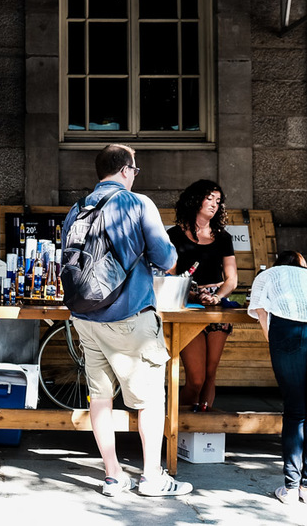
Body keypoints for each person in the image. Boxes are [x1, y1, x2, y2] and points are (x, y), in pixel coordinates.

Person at [60, 143, 192, 498]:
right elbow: (166, 258)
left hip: (85, 317)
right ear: (124, 170)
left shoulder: (77, 209)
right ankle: (151, 477)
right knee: (149, 400)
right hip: (129, 317)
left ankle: (114, 475)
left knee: (100, 399)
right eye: (135, 169)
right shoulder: (138, 204)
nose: (135, 176)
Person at [247, 250, 307, 505]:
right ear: (303, 263)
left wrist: (275, 342)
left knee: (294, 409)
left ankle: (290, 488)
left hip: (291, 330)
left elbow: (259, 309)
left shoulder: (268, 274)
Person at [167, 179, 238, 412]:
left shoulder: (224, 237)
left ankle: (201, 434)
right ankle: (178, 427)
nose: (214, 205)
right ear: (195, 199)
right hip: (189, 308)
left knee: (210, 376)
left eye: (218, 201)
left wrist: (217, 297)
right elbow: (171, 277)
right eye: (210, 198)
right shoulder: (174, 235)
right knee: (195, 380)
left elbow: (232, 279)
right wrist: (195, 292)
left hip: (216, 309)